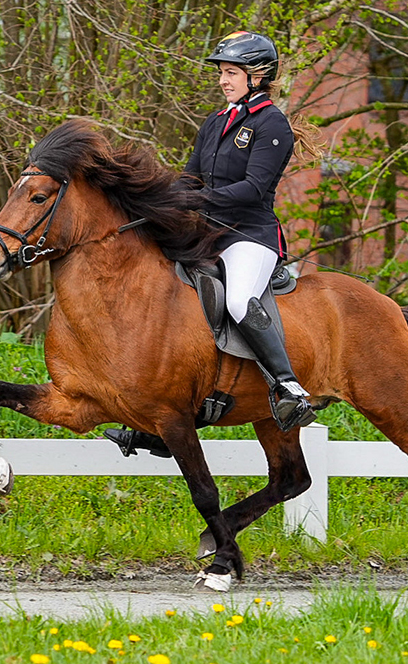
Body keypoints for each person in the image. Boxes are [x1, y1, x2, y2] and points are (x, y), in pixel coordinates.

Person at [106, 31, 317, 457]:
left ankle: (288, 387)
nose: (223, 80)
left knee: (239, 300)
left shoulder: (270, 123)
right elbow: (190, 178)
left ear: (257, 75)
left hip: (250, 237)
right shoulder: (216, 122)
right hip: (208, 235)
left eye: (231, 73)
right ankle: (169, 412)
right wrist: (158, 203)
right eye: (222, 73)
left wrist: (196, 199)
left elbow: (254, 188)